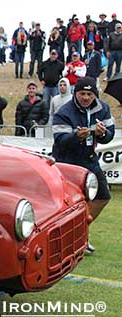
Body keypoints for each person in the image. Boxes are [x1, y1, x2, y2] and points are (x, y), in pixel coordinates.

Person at [52, 76, 114, 254]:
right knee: (68, 205)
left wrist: (102, 134)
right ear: (75, 93)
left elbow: (109, 135)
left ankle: (79, 233)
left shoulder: (104, 108)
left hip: (89, 160)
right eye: (82, 93)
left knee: (103, 196)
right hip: (67, 162)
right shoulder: (64, 112)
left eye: (89, 94)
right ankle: (66, 240)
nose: (85, 97)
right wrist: (76, 136)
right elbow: (60, 139)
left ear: (95, 94)